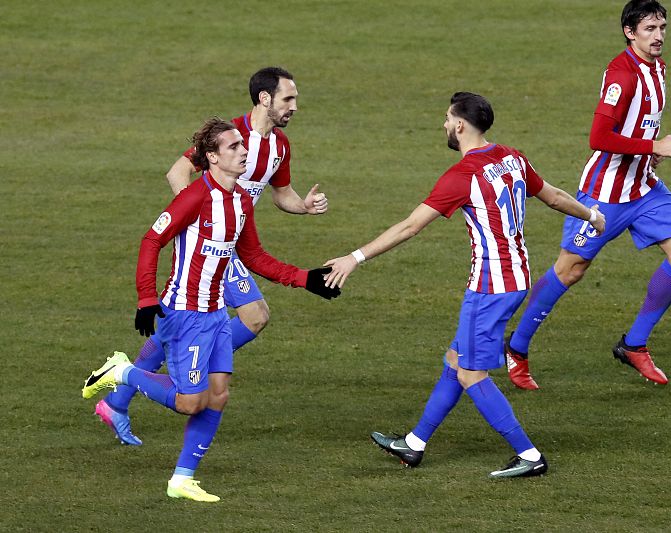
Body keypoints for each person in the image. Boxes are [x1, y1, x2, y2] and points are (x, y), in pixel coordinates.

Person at [324, 92, 605, 478]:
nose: (443, 124)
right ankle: (415, 443)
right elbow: (554, 197)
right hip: (517, 276)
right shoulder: (512, 158)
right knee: (456, 359)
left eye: (447, 118)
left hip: (490, 287)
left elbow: (410, 226)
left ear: (459, 125)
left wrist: (354, 258)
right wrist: (592, 215)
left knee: (471, 374)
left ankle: (528, 454)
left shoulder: (463, 175)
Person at [81, 117, 340, 502]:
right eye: (234, 147)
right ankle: (121, 371)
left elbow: (254, 256)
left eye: (242, 145)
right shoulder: (194, 198)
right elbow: (151, 241)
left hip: (216, 314)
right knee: (190, 402)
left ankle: (182, 480)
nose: (243, 151)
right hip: (185, 313)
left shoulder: (241, 201)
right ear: (213, 157)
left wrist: (306, 279)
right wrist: (146, 298)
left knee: (217, 396)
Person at [95, 67, 328, 446]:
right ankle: (174, 366)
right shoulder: (229, 137)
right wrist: (201, 219)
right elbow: (178, 172)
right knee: (252, 316)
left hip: (232, 242)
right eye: (288, 98)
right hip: (212, 244)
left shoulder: (280, 146)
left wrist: (304, 206)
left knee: (213, 322)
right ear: (265, 99)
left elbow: (281, 193)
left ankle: (117, 400)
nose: (295, 107)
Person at [505, 0, 671, 390]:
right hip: (603, 194)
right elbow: (599, 137)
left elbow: (638, 124)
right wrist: (654, 146)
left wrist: (650, 154)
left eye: (662, 27)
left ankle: (634, 344)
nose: (659, 35)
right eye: (650, 28)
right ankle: (517, 347)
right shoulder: (621, 75)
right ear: (630, 32)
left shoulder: (658, 68)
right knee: (570, 270)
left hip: (644, 188)